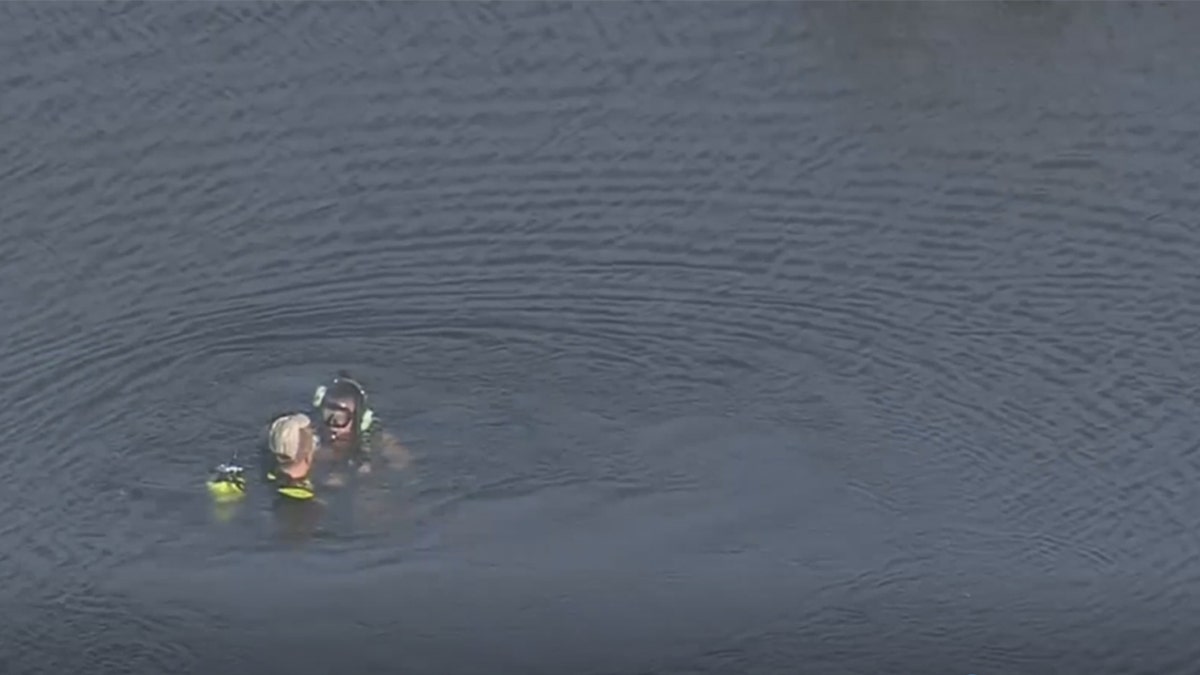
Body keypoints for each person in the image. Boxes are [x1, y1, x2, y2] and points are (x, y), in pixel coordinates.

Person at [310, 372, 410, 482]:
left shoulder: (377, 439)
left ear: (359, 419)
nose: (332, 426)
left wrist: (376, 469)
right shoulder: (311, 437)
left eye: (340, 419)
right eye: (328, 415)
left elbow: (403, 464)